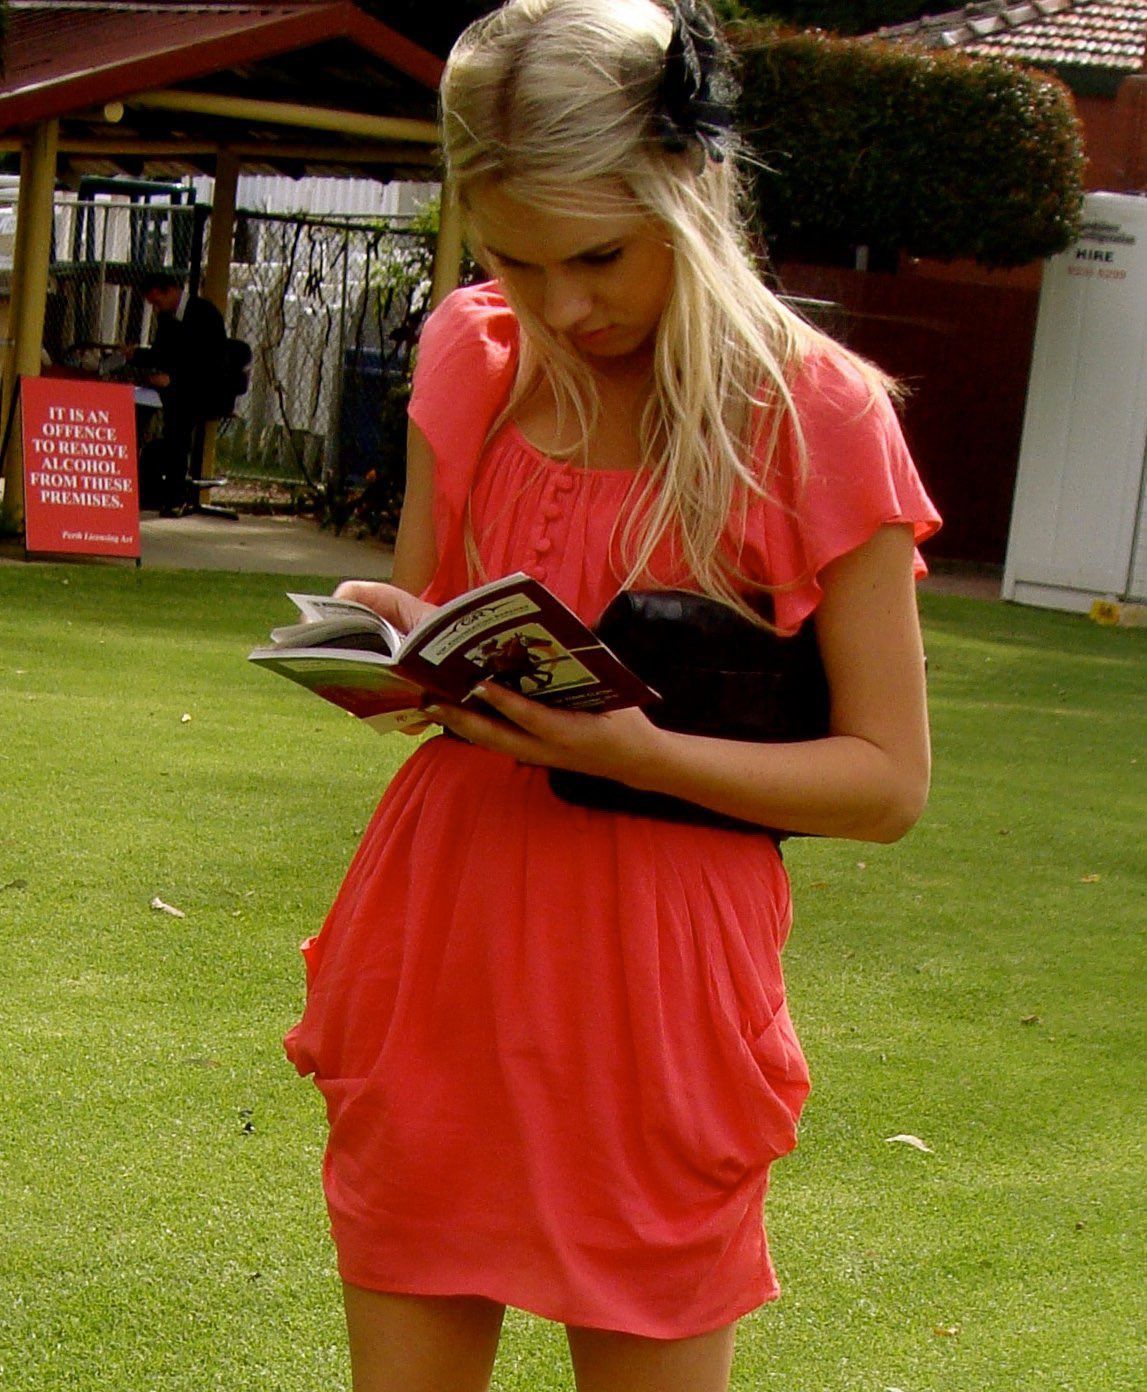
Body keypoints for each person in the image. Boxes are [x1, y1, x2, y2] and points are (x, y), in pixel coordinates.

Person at [283, 3, 942, 1389]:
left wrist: (637, 752)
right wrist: (392, 651)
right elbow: (432, 598)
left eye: (596, 256)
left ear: (690, 194)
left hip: (657, 984)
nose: (562, 308)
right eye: (513, 262)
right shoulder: (471, 355)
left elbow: (886, 784)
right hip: (444, 937)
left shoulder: (812, 414)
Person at [132, 270, 230, 514]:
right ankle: (152, 490)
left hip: (204, 386)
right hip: (178, 386)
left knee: (178, 423)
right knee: (163, 416)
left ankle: (175, 494)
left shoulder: (204, 313)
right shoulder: (167, 318)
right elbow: (161, 354)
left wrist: (173, 379)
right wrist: (135, 355)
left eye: (157, 302)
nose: (156, 308)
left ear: (171, 292)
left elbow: (210, 362)